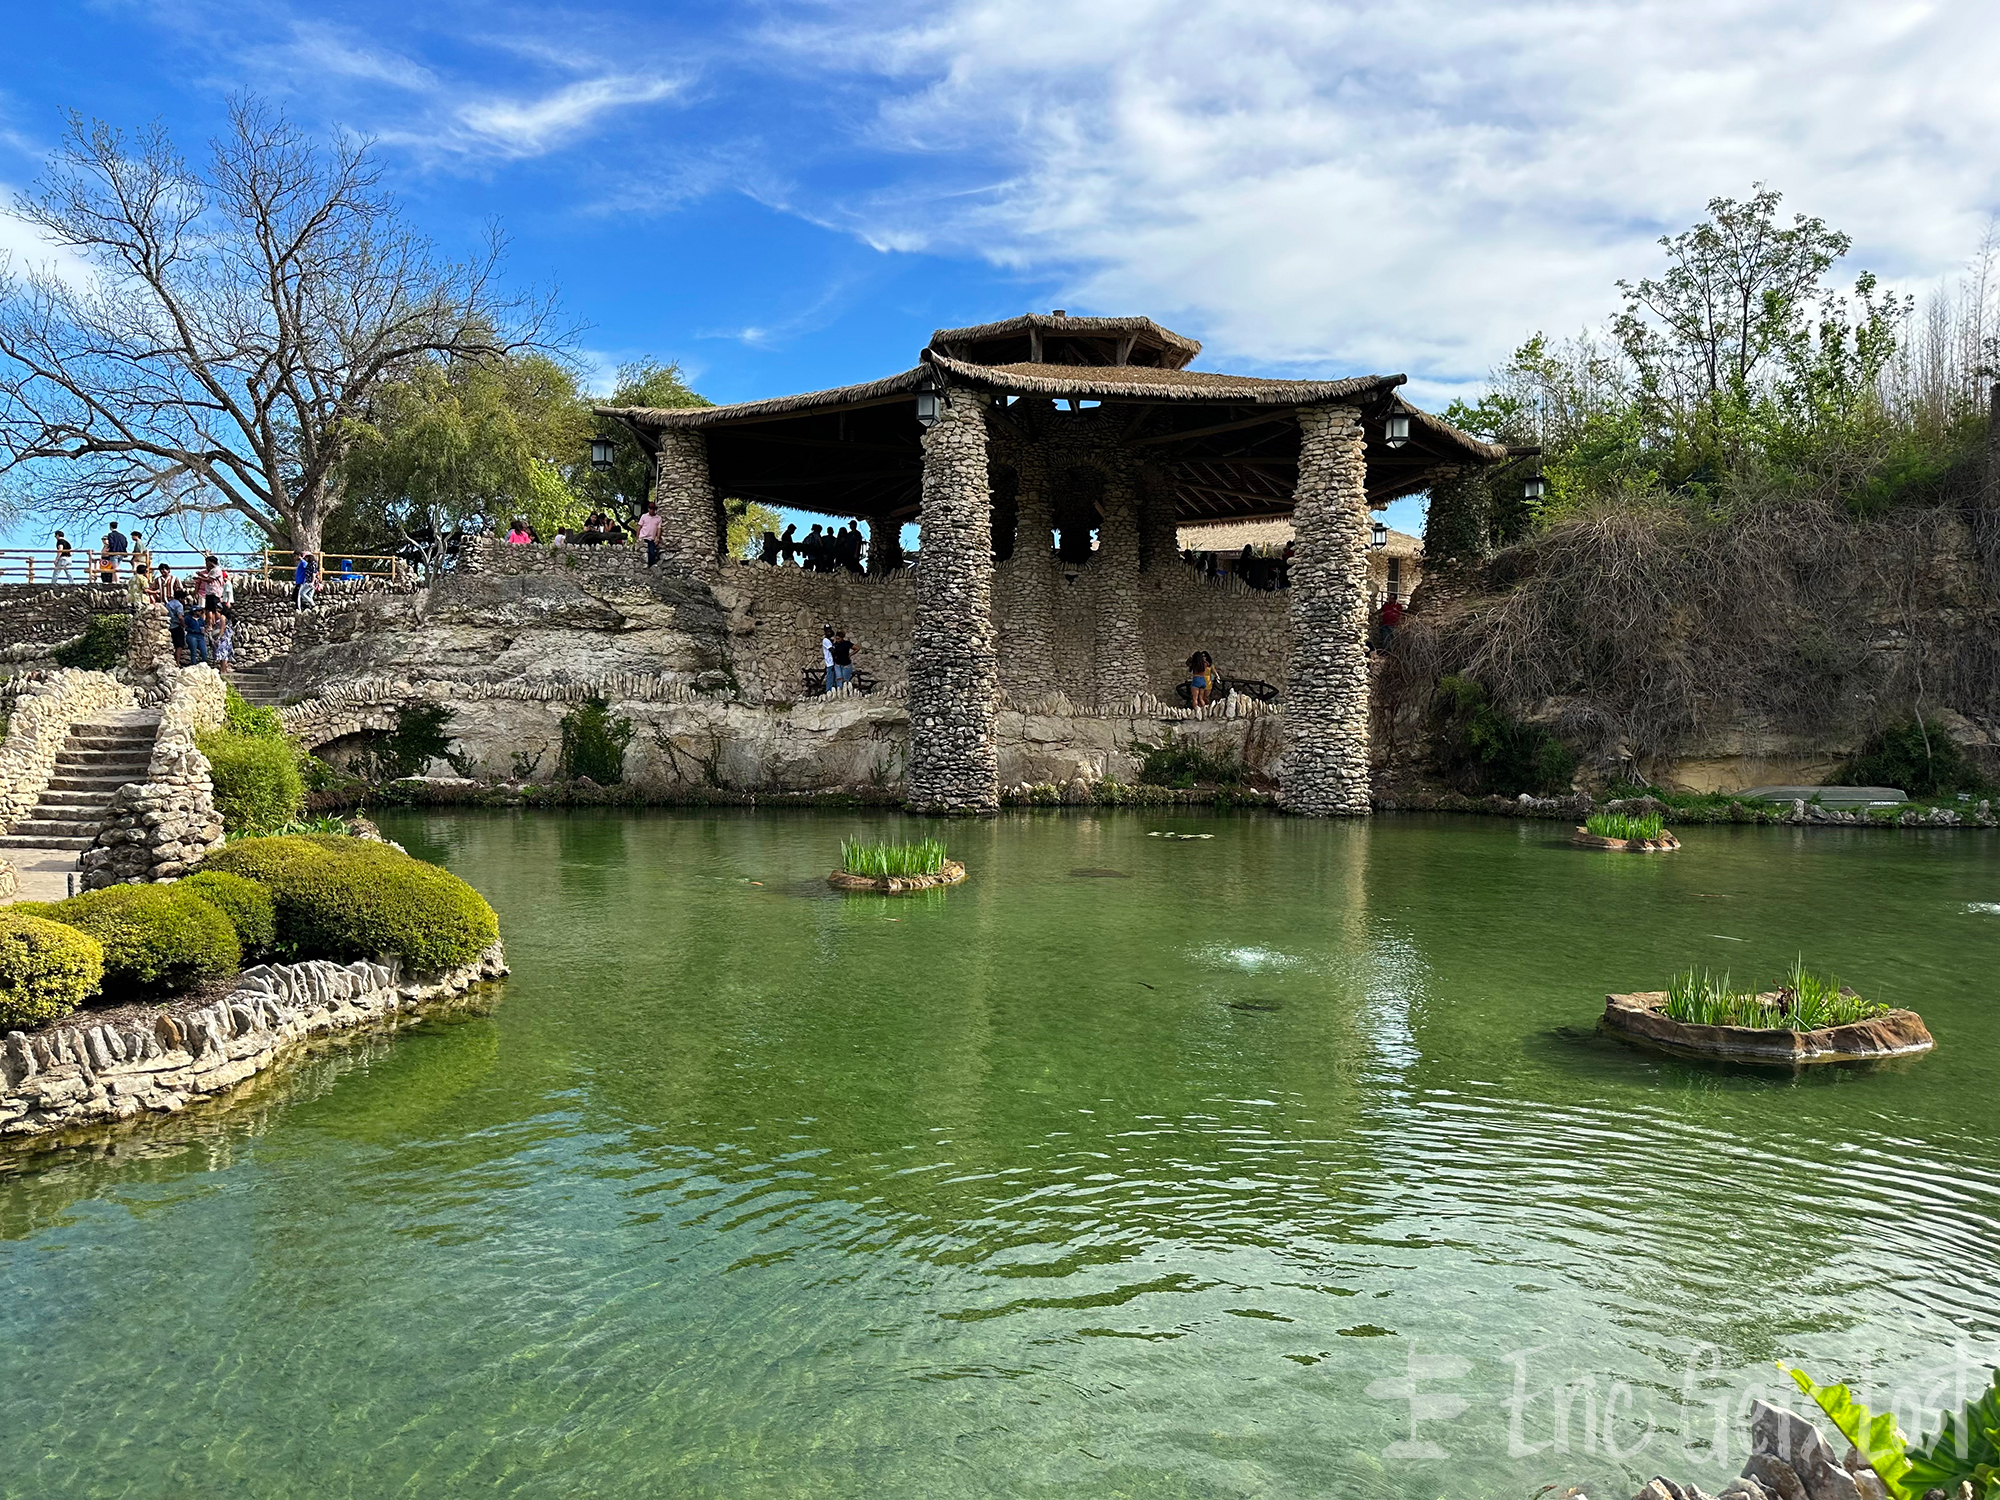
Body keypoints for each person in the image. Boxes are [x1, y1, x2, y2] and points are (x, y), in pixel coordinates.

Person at [182, 593, 208, 664]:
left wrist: (204, 630)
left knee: (204, 651)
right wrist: (192, 630)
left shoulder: (201, 619)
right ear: (194, 612)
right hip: (192, 635)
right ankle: (193, 664)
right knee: (193, 652)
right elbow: (185, 626)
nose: (200, 612)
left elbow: (203, 625)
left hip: (200, 636)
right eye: (199, 611)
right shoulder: (188, 618)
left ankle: (204, 664)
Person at [164, 589, 188, 663]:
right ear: (181, 598)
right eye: (184, 599)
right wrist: (184, 626)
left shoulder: (168, 604)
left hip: (168, 626)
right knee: (179, 645)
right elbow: (180, 617)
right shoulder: (179, 605)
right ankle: (177, 663)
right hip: (176, 626)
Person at [636, 500, 662, 567]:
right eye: (651, 508)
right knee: (641, 553)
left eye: (653, 509)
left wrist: (658, 538)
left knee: (652, 552)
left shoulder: (658, 518)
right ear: (648, 509)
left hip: (651, 538)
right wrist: (637, 538)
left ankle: (651, 566)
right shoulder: (644, 516)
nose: (652, 510)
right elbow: (639, 527)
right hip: (643, 537)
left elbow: (659, 528)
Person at [821, 624, 837, 694]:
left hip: (833, 662)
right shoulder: (826, 640)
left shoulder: (830, 640)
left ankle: (833, 692)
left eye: (830, 631)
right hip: (830, 662)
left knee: (834, 678)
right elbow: (832, 651)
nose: (829, 632)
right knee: (830, 678)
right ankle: (828, 692)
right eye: (827, 631)